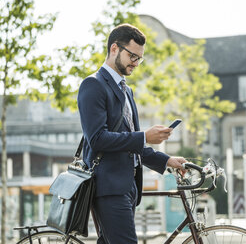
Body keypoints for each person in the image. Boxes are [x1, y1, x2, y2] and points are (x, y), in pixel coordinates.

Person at [77, 23, 187, 244]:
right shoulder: (93, 85)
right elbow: (97, 139)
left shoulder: (127, 90)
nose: (136, 63)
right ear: (114, 49)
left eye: (140, 58)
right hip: (108, 189)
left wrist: (168, 160)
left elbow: (132, 145)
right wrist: (144, 136)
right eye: (133, 56)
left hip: (128, 188)